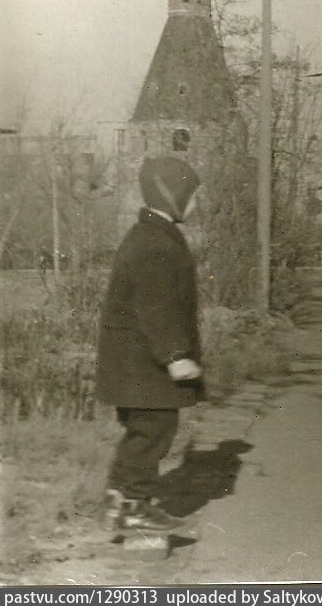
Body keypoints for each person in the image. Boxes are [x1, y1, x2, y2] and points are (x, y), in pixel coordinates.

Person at [97, 156, 204, 532]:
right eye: (189, 196)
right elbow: (157, 307)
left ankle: (120, 500)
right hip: (143, 365)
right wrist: (175, 356)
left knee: (145, 432)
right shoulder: (154, 244)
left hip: (136, 365)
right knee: (153, 431)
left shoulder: (153, 237)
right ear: (170, 195)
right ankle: (134, 506)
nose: (195, 204)